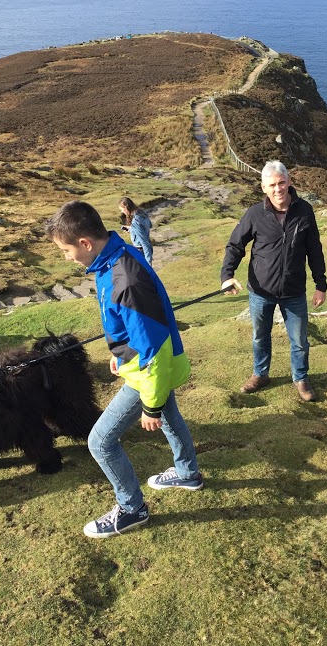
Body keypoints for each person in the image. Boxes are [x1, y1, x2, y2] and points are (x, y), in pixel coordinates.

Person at [46, 200, 202, 539]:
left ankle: (132, 508)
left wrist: (151, 404)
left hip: (151, 372)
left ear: (85, 243)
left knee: (100, 441)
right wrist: (120, 352)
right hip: (146, 365)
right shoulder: (111, 261)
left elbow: (155, 348)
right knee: (172, 418)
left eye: (66, 249)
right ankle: (188, 472)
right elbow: (134, 328)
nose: (67, 257)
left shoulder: (125, 278)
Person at [221, 161, 327, 402]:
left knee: (299, 340)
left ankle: (300, 378)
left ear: (289, 183)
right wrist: (227, 275)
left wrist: (320, 284)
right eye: (272, 185)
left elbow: (315, 250)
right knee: (260, 336)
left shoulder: (305, 211)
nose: (278, 189)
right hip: (261, 291)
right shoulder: (254, 214)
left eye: (281, 183)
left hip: (294, 290)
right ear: (264, 188)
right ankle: (261, 374)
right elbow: (235, 246)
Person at [118, 197, 154, 263]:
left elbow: (144, 242)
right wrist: (132, 229)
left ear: (126, 207)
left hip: (140, 251)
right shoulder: (142, 212)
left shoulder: (135, 222)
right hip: (145, 247)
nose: (122, 212)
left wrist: (148, 261)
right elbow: (150, 225)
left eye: (122, 209)